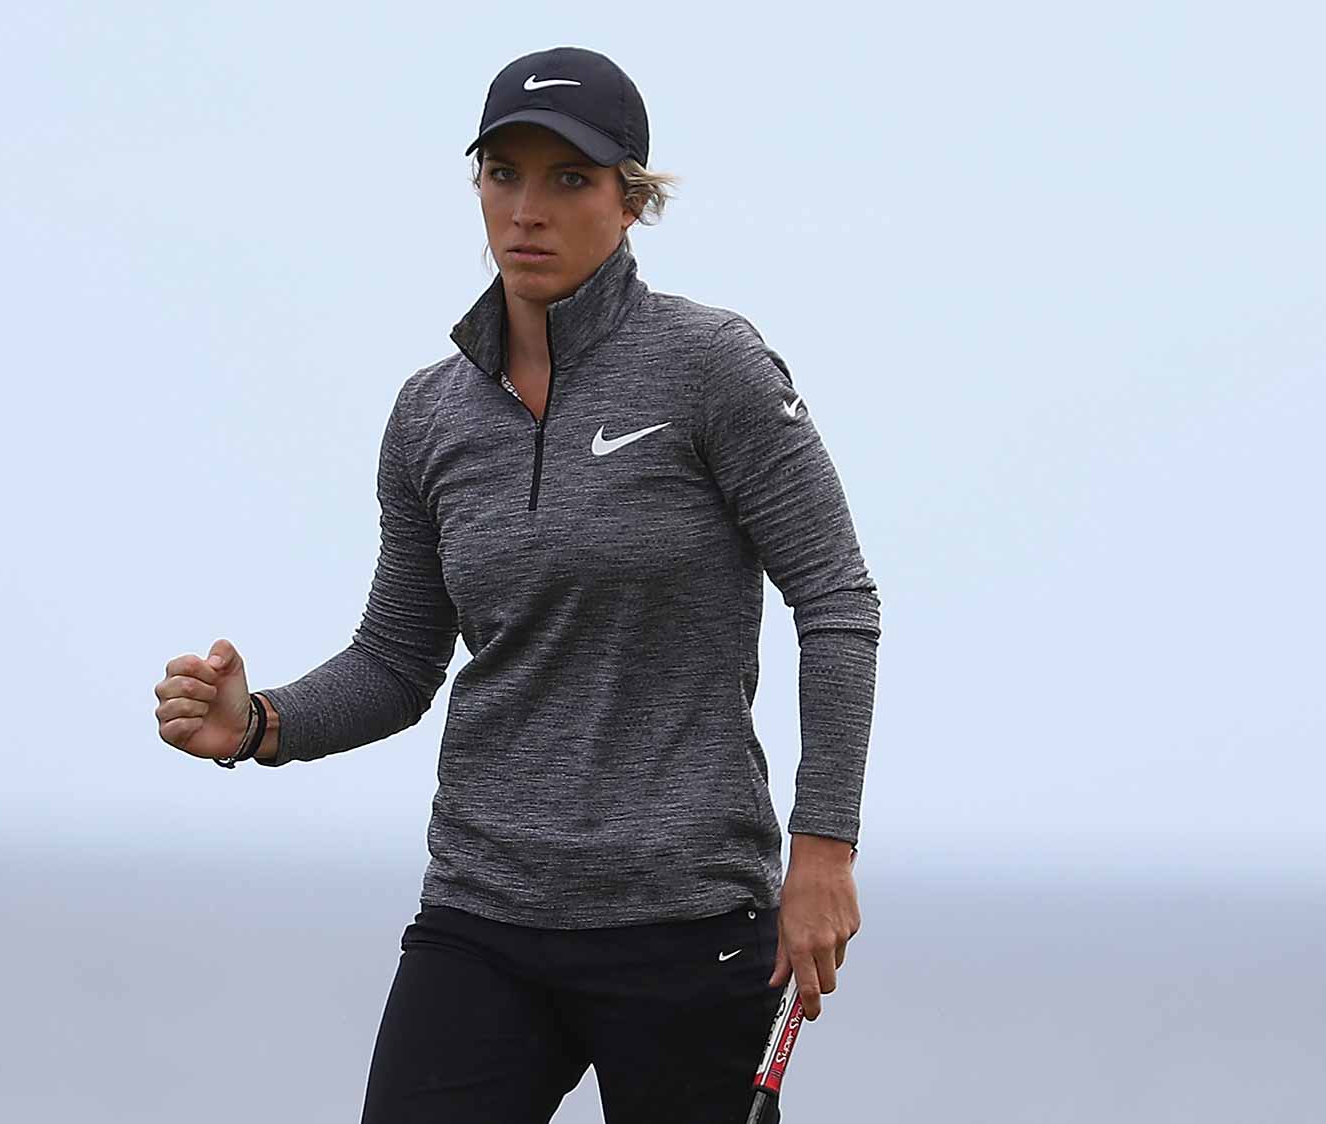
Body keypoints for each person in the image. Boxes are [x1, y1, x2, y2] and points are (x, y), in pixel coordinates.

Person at [153, 45, 880, 1124]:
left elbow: (835, 601)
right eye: (503, 173)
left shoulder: (710, 367)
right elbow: (398, 660)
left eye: (568, 179)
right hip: (482, 915)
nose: (525, 209)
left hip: (684, 919)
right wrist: (260, 721)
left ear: (630, 201)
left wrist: (821, 849)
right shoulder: (429, 415)